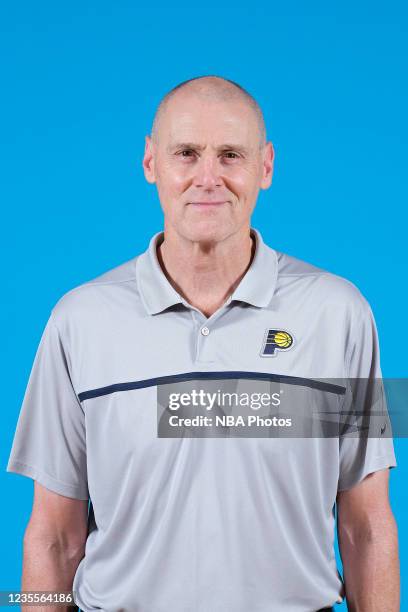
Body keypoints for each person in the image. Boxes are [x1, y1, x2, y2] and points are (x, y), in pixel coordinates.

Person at [7, 75, 399, 612]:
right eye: (186, 153)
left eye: (231, 155)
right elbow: (53, 537)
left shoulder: (340, 313)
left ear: (265, 166)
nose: (207, 177)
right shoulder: (79, 320)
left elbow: (367, 526)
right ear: (151, 163)